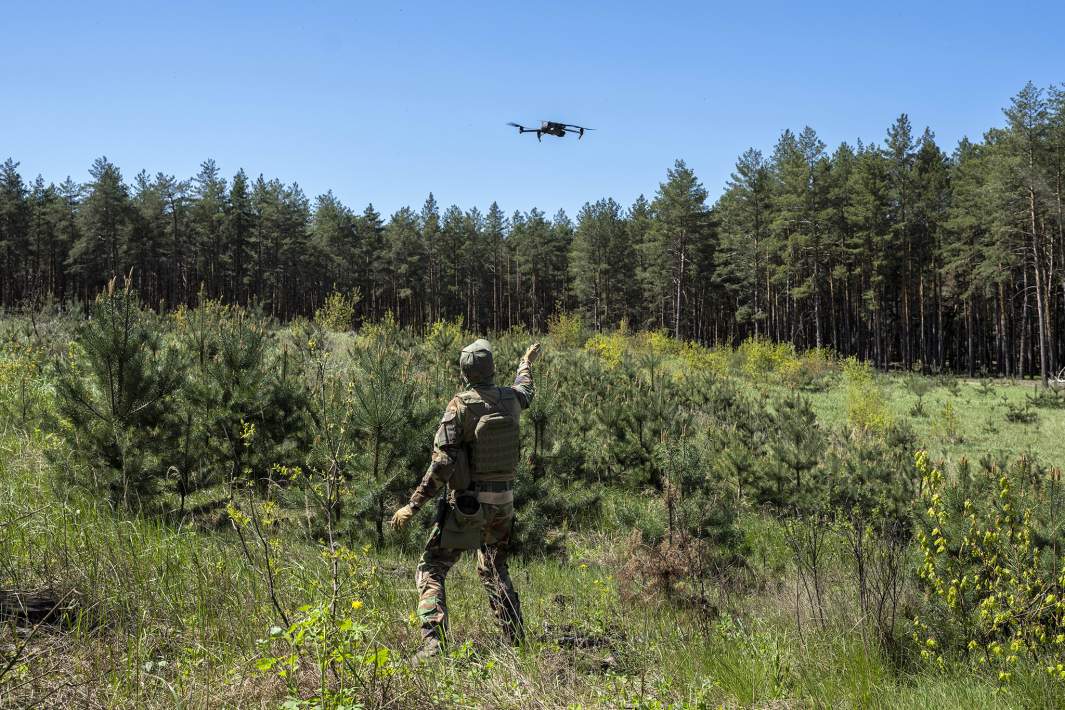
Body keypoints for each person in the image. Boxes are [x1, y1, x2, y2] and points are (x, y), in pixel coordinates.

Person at [389, 338, 541, 660]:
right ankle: (516, 641)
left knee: (431, 567)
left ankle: (433, 646)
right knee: (494, 568)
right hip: (504, 504)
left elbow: (442, 465)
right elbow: (526, 388)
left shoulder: (460, 405)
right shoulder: (511, 399)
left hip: (470, 507)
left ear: (463, 372)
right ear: (492, 368)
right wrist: (525, 362)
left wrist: (412, 506)